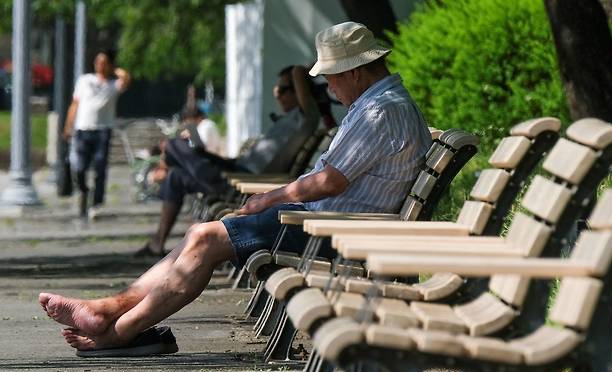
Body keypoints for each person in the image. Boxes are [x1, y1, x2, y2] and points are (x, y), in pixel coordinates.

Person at [39, 22, 432, 355]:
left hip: (335, 233)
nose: (328, 86)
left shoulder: (380, 110)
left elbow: (329, 181)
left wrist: (269, 196)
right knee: (200, 233)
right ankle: (110, 314)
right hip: (327, 225)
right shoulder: (380, 104)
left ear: (355, 72)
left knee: (207, 239)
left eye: (329, 77)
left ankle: (116, 330)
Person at [134, 65, 321, 257]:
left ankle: (163, 160)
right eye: (276, 89)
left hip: (242, 182)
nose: (277, 94)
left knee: (174, 145)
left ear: (300, 91)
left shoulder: (306, 118)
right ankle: (158, 242)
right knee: (175, 175)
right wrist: (210, 157)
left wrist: (307, 68)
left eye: (283, 89)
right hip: (235, 169)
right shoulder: (288, 119)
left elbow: (298, 73)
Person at [63, 49, 131, 220]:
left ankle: (96, 203)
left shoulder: (112, 85)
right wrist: (68, 126)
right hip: (82, 129)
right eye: (97, 61)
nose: (99, 65)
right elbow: (75, 103)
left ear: (108, 64)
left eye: (103, 62)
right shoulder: (85, 80)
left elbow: (127, 79)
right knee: (79, 168)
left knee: (100, 167)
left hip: (102, 130)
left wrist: (114, 69)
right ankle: (84, 191)